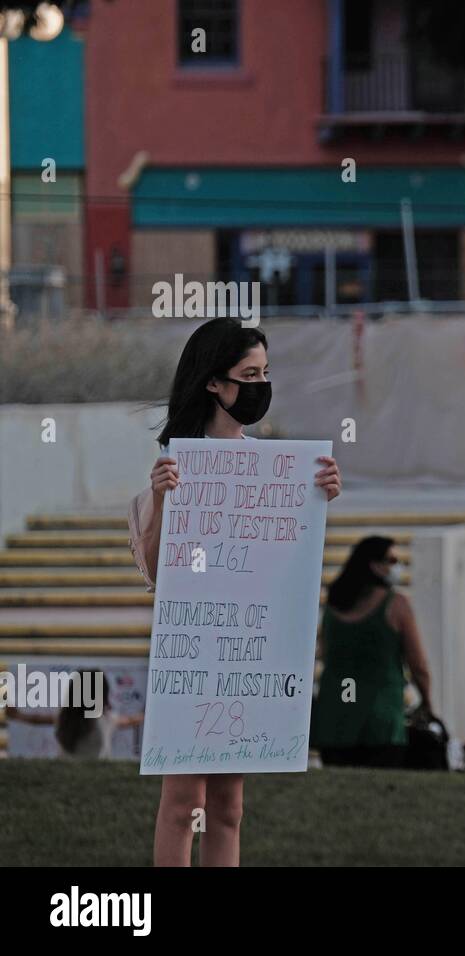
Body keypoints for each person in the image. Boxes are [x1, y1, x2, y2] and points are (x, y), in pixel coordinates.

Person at [127, 317, 343, 867]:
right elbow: (156, 573)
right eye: (249, 374)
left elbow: (283, 566)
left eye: (266, 373)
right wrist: (165, 503)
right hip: (194, 655)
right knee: (182, 804)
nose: (260, 386)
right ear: (214, 383)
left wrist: (319, 499)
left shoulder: (274, 468)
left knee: (229, 807)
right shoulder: (175, 467)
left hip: (247, 654)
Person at [312, 535, 435, 768]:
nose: (397, 565)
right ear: (375, 565)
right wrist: (427, 703)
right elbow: (418, 664)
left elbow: (323, 651)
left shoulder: (333, 605)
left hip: (334, 717)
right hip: (380, 719)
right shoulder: (397, 604)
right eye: (392, 560)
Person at [8, 669, 143, 758]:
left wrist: (18, 715)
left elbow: (37, 719)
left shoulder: (64, 718)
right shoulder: (105, 720)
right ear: (102, 695)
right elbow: (132, 720)